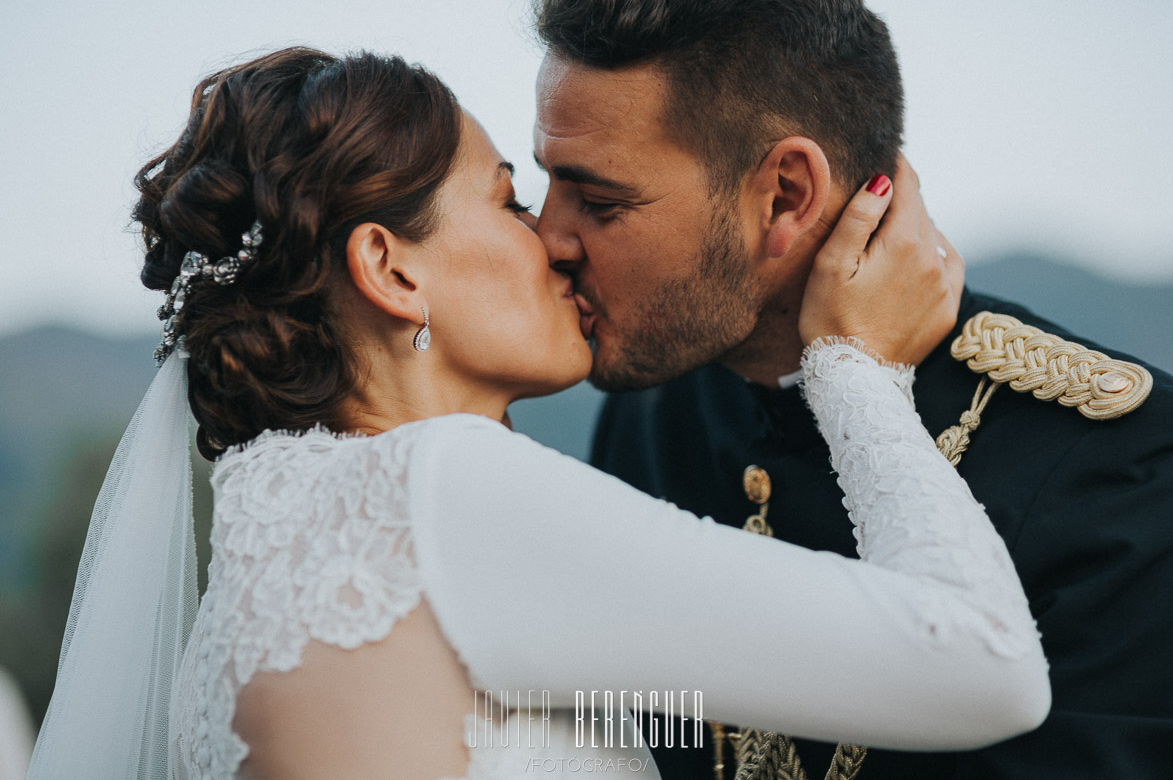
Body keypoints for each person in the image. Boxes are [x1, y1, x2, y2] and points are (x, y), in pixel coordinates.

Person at [25, 48, 1050, 780]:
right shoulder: (439, 492)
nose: (555, 240)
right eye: (511, 201)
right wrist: (851, 364)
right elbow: (988, 666)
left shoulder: (261, 563)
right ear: (388, 268)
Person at [531, 0, 1173, 777]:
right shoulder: (655, 407)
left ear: (786, 195)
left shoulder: (1128, 469)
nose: (547, 238)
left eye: (598, 202)